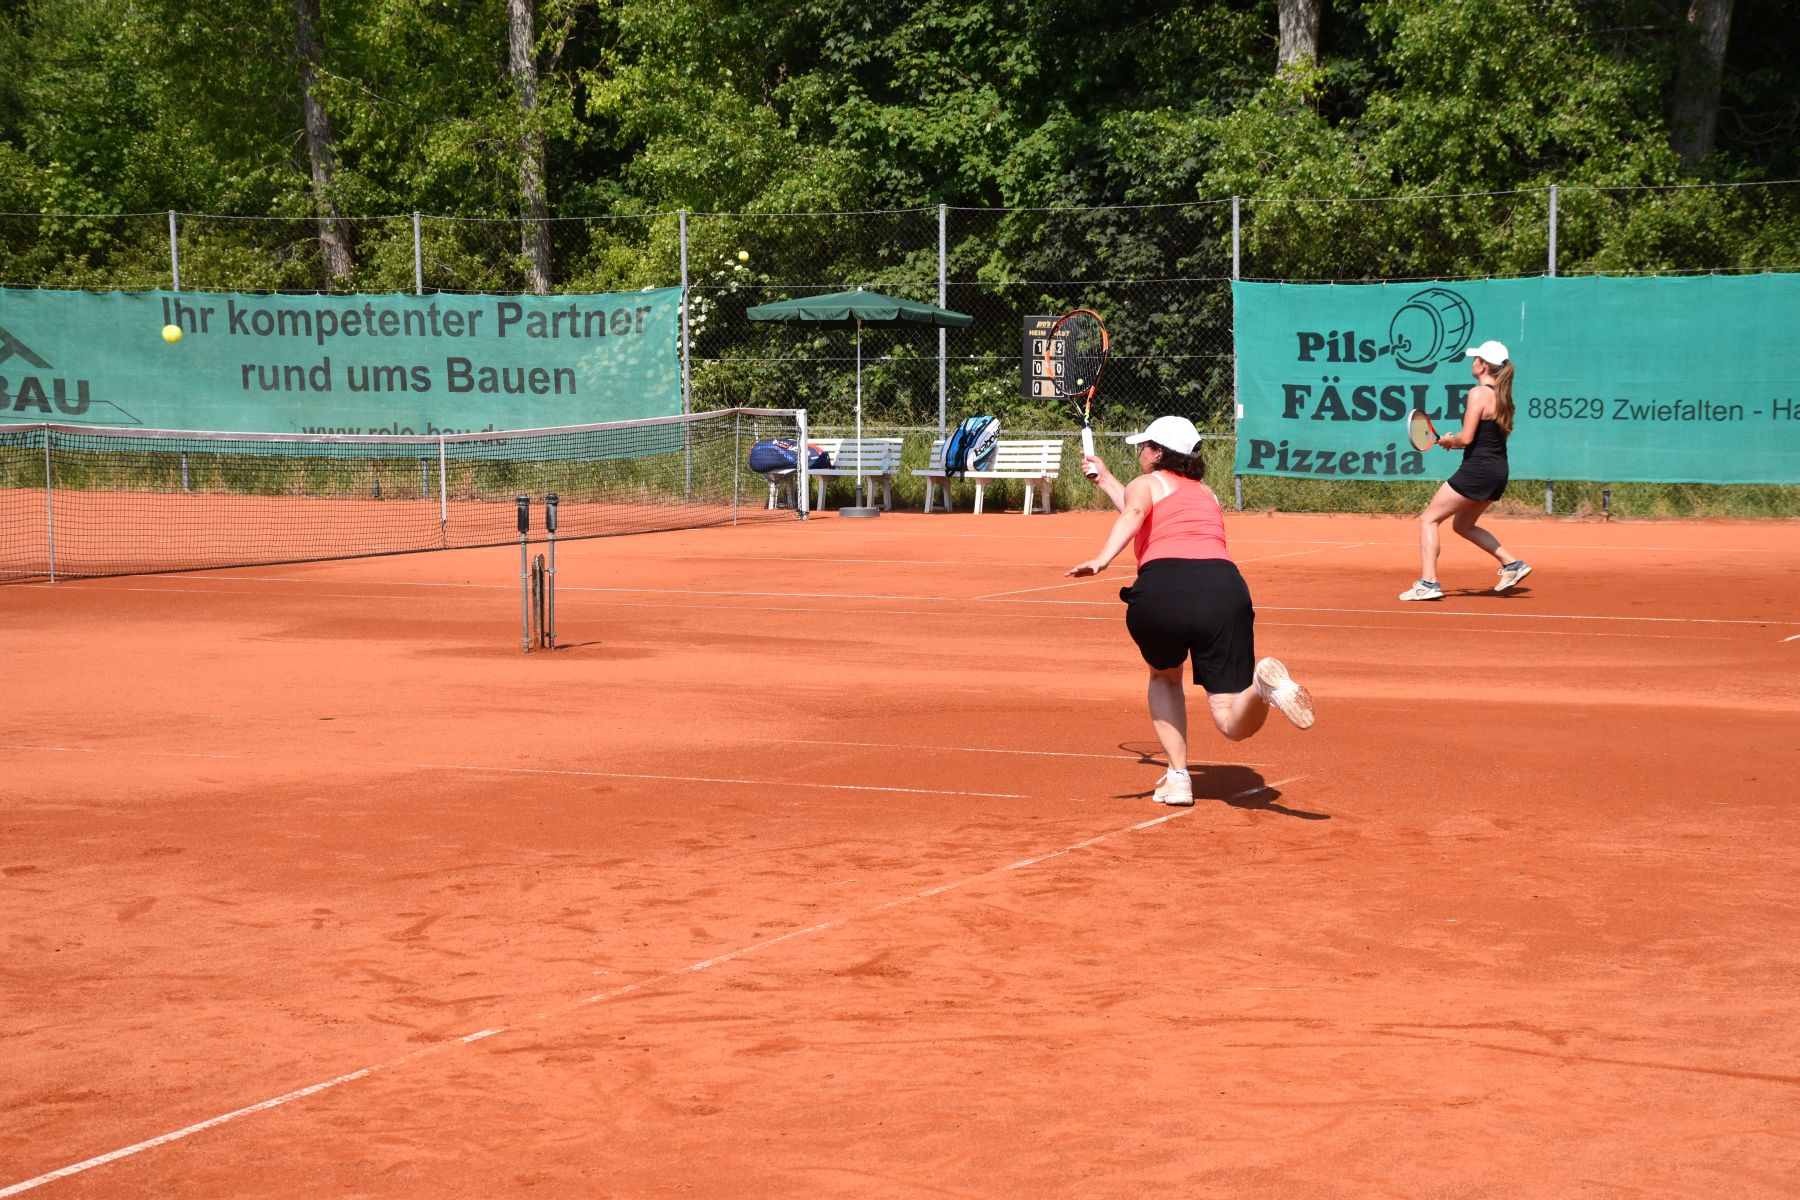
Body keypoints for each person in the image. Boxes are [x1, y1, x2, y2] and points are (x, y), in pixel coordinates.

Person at [1066, 415, 1315, 808]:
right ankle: (1263, 688)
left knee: (1165, 678)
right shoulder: (1207, 494)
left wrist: (1102, 558)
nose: (1140, 452)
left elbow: (1135, 513)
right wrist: (1106, 479)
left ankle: (1179, 778)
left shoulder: (1146, 483)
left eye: (1144, 446)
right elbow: (1143, 510)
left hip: (1164, 589)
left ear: (1158, 453)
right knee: (1230, 722)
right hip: (1225, 589)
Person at [1400, 339, 1532, 601]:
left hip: (1478, 470)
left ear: (1483, 366)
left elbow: (1467, 438)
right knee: (1463, 525)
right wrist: (1454, 441)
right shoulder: (1503, 397)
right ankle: (1511, 564)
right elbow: (1483, 438)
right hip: (1498, 471)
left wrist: (1451, 440)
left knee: (1428, 519)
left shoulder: (1478, 393)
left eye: (1475, 359)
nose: (1472, 362)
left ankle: (1428, 583)